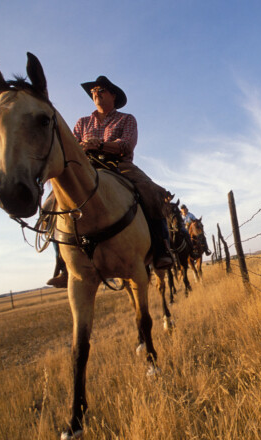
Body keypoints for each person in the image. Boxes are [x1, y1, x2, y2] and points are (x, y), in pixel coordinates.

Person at [46, 75, 172, 287]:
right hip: (86, 168)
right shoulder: (82, 122)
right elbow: (71, 145)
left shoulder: (126, 119)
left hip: (119, 166)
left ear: (113, 95)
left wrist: (99, 145)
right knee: (52, 203)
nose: (96, 93)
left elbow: (126, 145)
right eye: (93, 91)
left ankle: (161, 250)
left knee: (149, 191)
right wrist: (83, 147)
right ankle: (63, 263)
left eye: (101, 90)